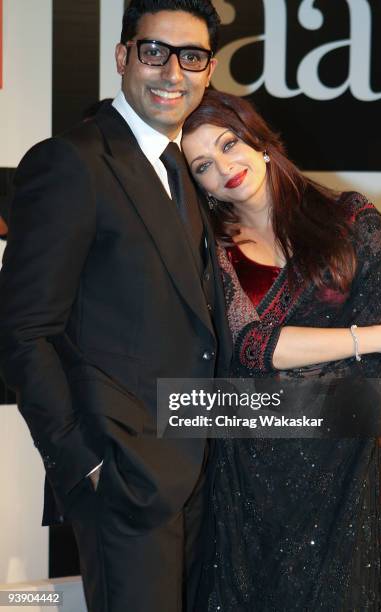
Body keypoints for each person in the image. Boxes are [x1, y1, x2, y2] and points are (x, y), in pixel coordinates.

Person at [0, 2, 231, 611]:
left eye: (192, 57)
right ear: (123, 56)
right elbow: (24, 331)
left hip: (200, 473)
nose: (172, 73)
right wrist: (83, 465)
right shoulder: (73, 162)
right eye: (155, 52)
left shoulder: (184, 167)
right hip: (123, 480)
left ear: (209, 71)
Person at [182, 90, 381, 611]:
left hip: (340, 477)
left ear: (255, 137)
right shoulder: (214, 249)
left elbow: (371, 387)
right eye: (203, 165)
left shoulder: (350, 219)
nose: (224, 167)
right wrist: (368, 338)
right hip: (244, 479)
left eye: (228, 143)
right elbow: (252, 347)